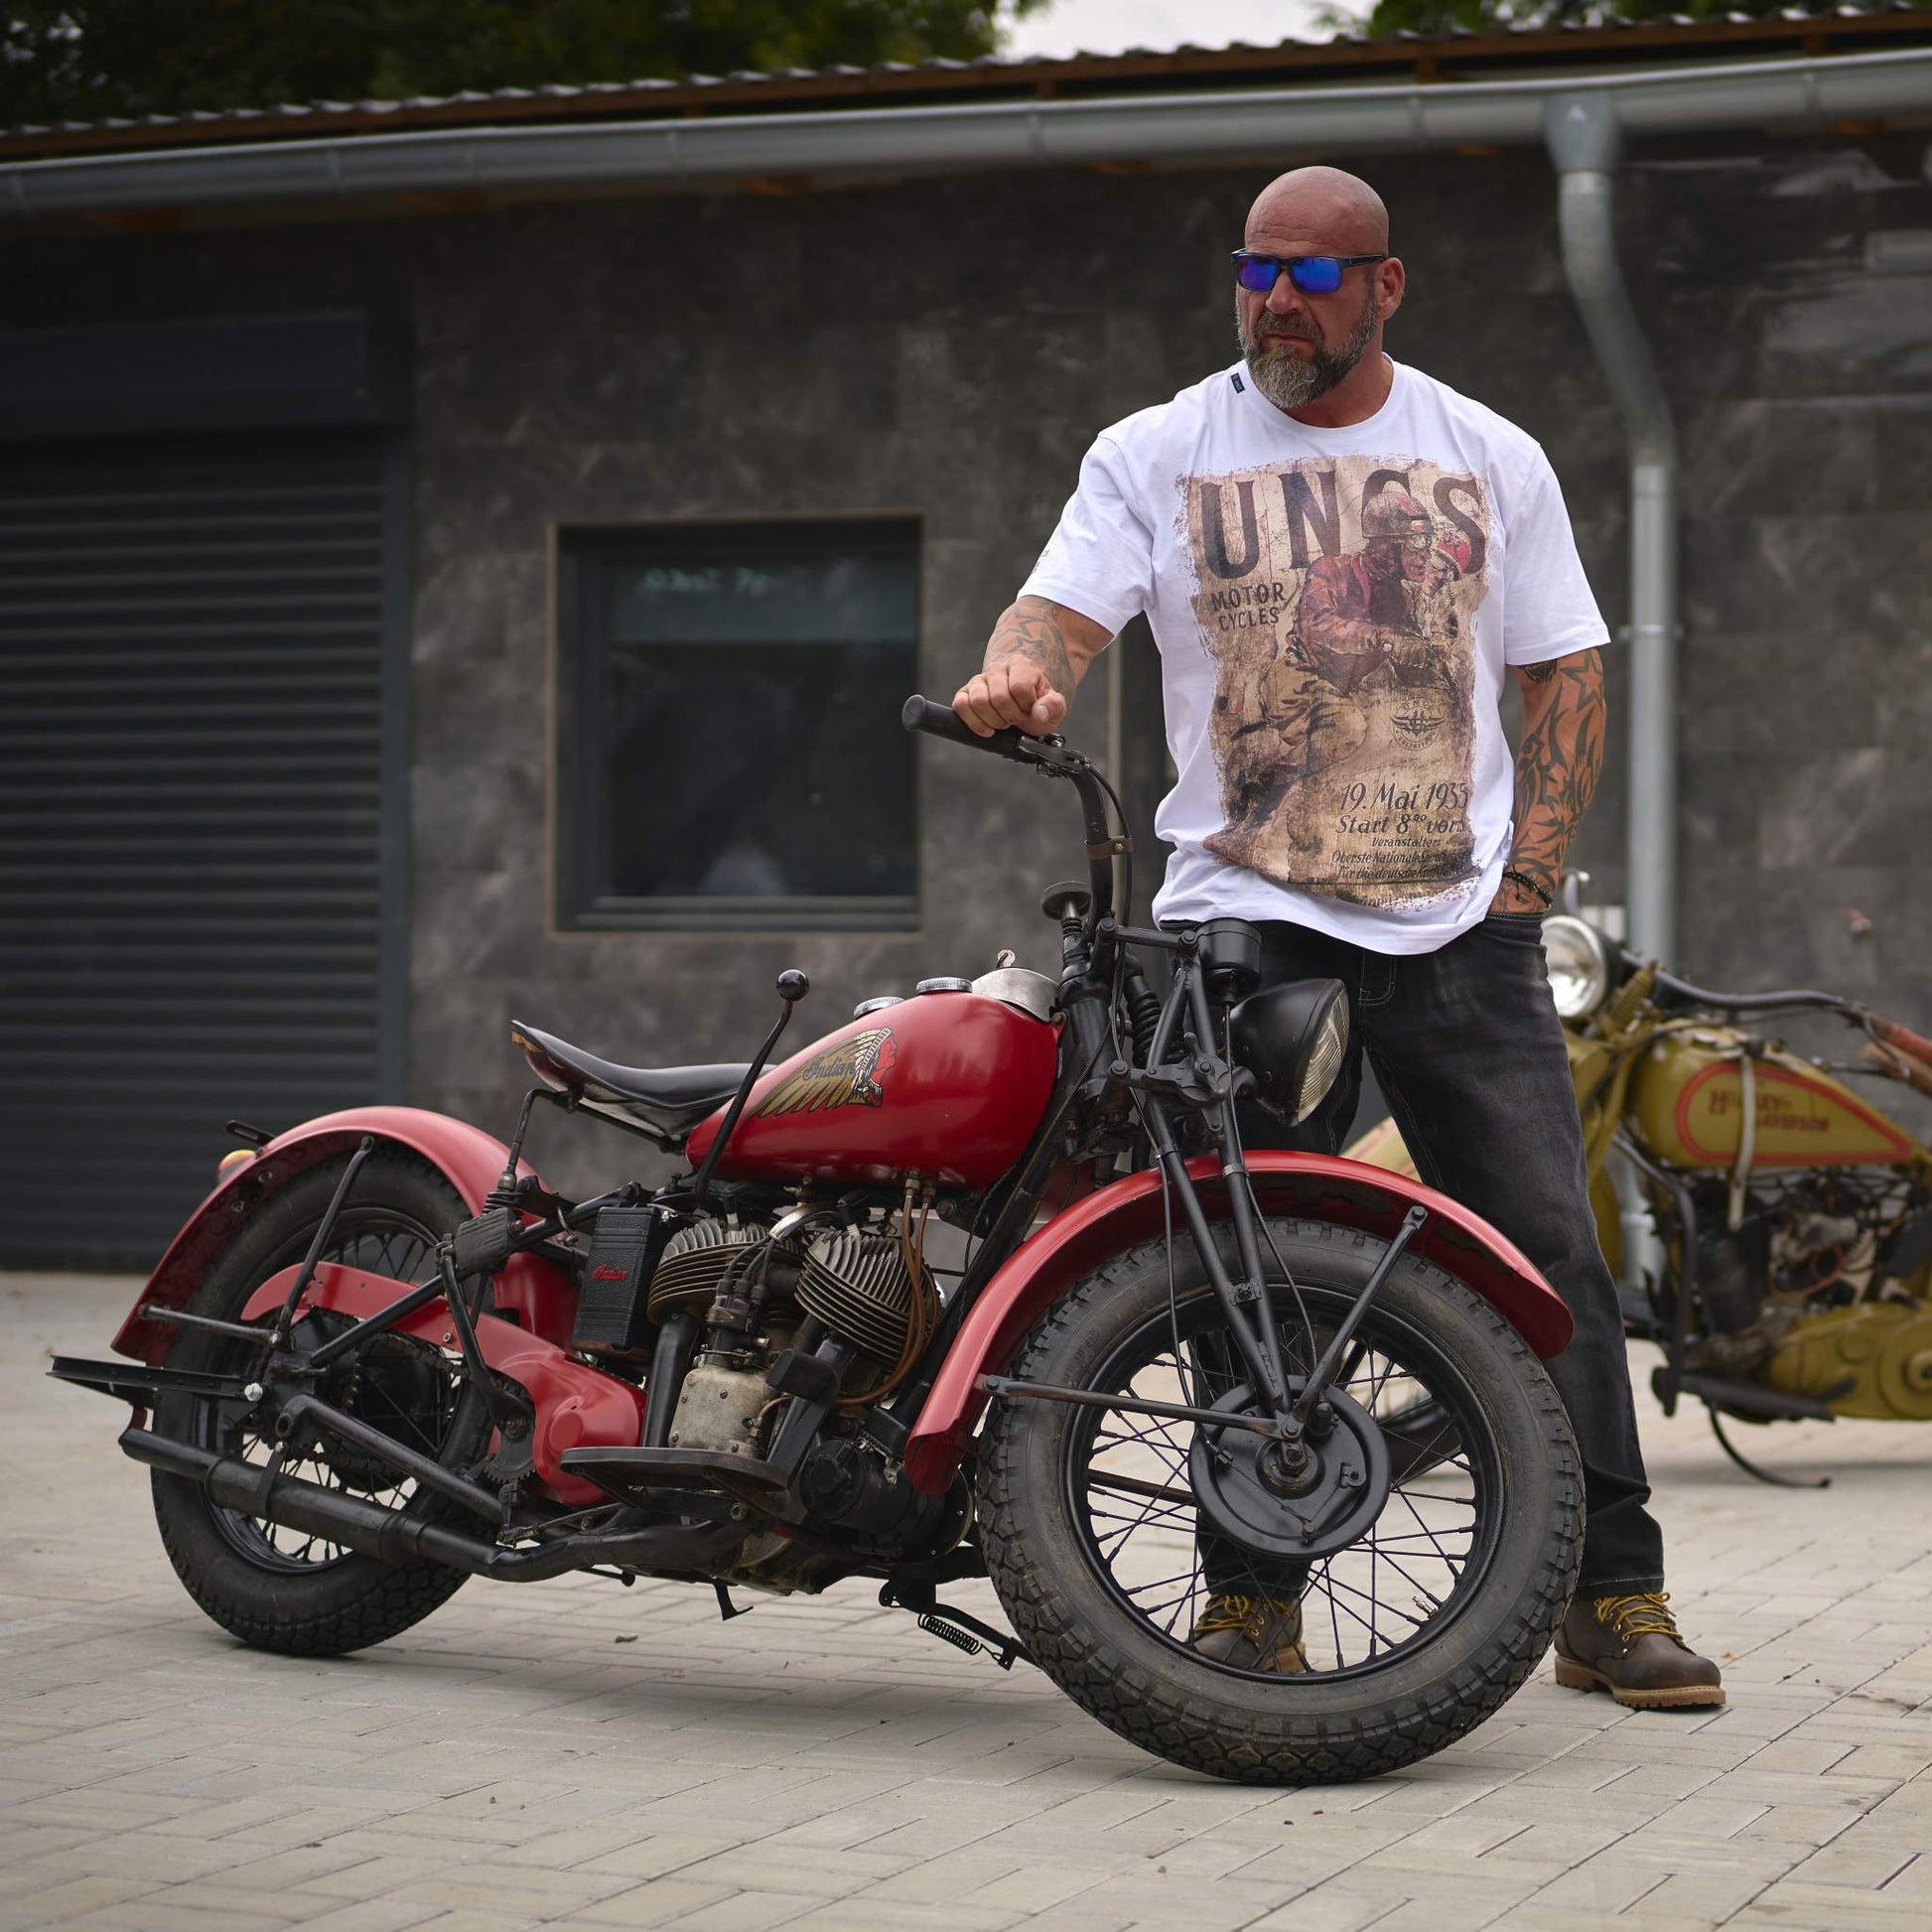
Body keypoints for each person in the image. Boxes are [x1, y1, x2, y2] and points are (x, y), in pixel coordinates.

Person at [951, 165, 1723, 1712]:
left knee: (1543, 1253)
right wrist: (1011, 672)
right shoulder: (1155, 450)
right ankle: (1252, 1602)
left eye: (1313, 274)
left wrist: (1527, 883)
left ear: (1386, 287)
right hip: (1242, 925)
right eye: (1255, 269)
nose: (1277, 300)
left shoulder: (1482, 453)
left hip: (1454, 928)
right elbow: (1057, 614)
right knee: (1251, 1266)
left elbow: (1564, 667)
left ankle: (1611, 1595)